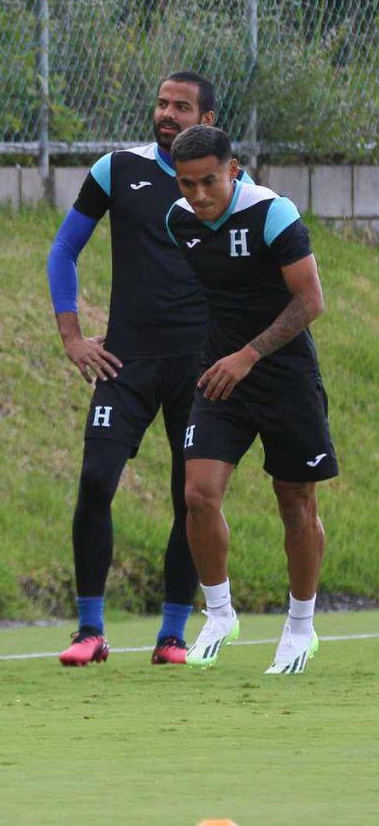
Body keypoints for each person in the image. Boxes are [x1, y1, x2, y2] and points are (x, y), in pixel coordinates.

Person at [45, 72, 252, 666]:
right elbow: (63, 250)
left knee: (190, 497)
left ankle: (170, 636)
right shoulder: (117, 170)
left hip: (201, 366)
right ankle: (89, 630)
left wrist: (242, 353)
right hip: (126, 360)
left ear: (208, 119)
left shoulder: (231, 184)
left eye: (181, 107)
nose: (166, 113)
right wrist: (72, 337)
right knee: (95, 479)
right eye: (161, 102)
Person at [165, 125, 336, 674]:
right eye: (186, 183)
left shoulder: (273, 213)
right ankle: (219, 613)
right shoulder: (179, 221)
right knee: (198, 495)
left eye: (208, 181)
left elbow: (310, 301)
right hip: (222, 378)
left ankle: (301, 628)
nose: (197, 194)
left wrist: (250, 355)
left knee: (295, 503)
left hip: (284, 377)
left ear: (233, 169)